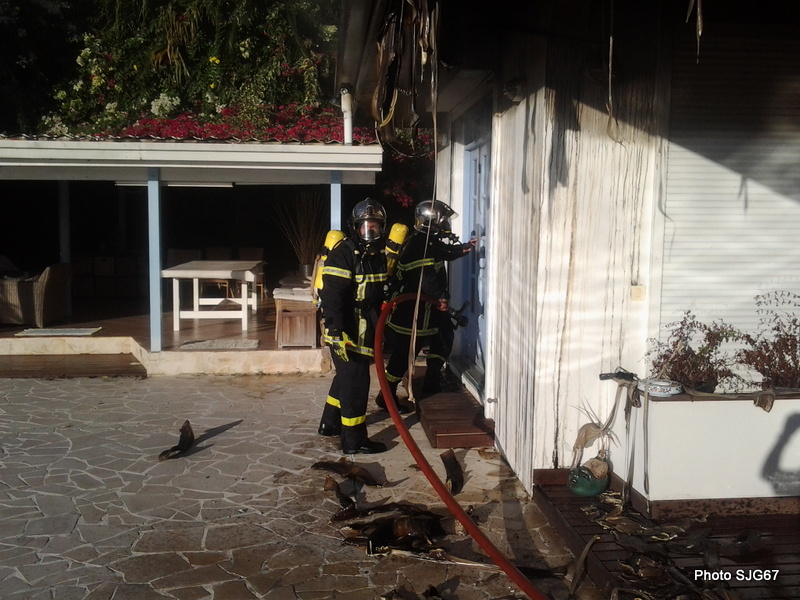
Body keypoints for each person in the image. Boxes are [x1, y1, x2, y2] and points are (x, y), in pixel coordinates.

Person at [376, 199, 475, 410]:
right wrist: (441, 298)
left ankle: (432, 381)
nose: (445, 224)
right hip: (412, 311)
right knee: (404, 355)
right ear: (433, 222)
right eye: (442, 221)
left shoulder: (427, 241)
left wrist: (463, 249)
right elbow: (426, 277)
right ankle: (386, 395)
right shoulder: (418, 245)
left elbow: (442, 252)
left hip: (427, 310)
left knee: (444, 335)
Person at [317, 198, 390, 454]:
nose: (369, 231)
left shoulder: (377, 256)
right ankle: (353, 440)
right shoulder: (344, 253)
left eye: (374, 226)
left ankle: (329, 423)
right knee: (356, 384)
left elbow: (378, 291)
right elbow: (332, 297)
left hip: (365, 329)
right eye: (365, 226)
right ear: (355, 227)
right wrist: (336, 332)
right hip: (346, 332)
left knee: (345, 378)